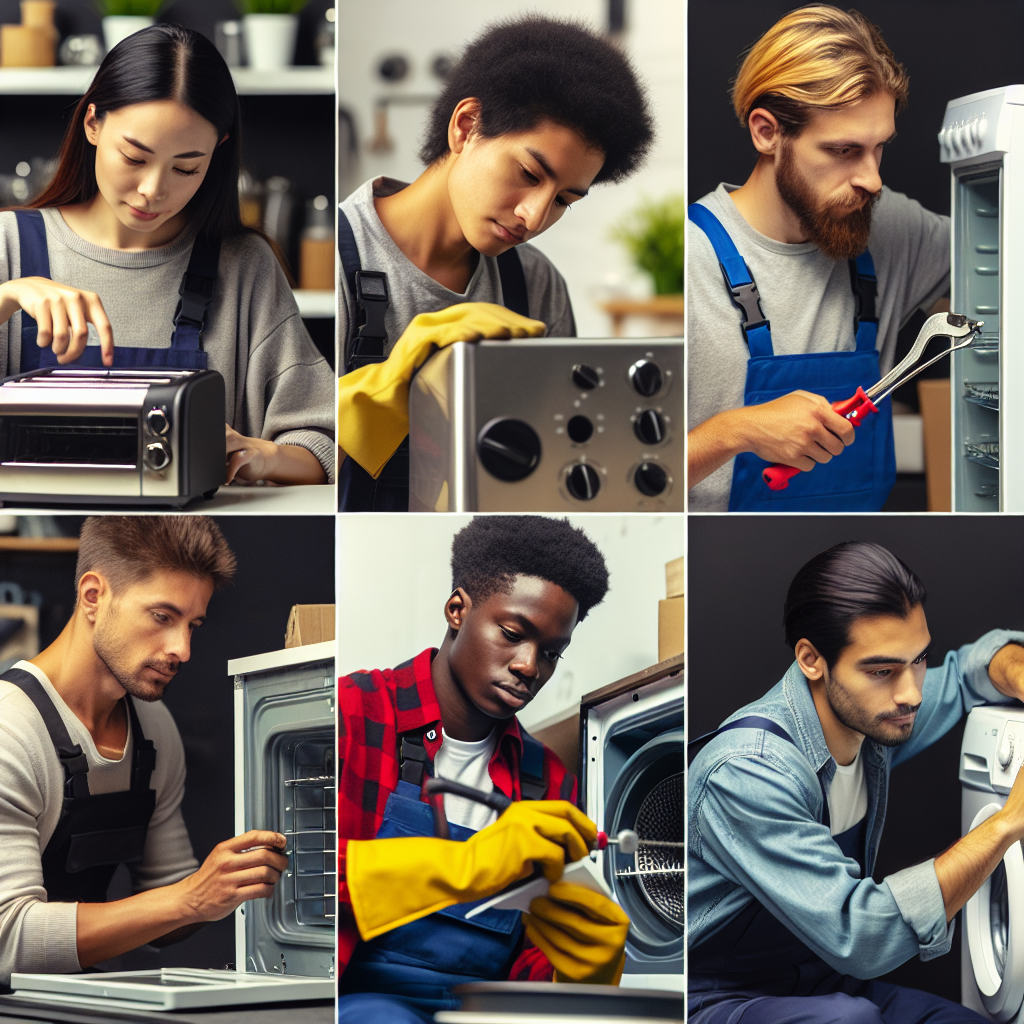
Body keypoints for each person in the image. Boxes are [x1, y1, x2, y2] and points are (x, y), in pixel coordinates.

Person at [687, 541, 1024, 1023]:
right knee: (849, 1020)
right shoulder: (746, 771)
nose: (911, 693)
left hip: (821, 979)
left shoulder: (878, 719)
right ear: (811, 659)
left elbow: (974, 671)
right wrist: (1008, 823)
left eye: (918, 660)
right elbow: (863, 934)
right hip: (715, 998)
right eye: (882, 670)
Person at [336, 14, 655, 510]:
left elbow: (558, 470)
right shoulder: (338, 262)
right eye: (528, 172)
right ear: (467, 127)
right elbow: (287, 467)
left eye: (564, 200)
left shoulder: (536, 284)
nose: (534, 215)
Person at [0, 25, 334, 486]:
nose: (153, 190)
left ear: (216, 155)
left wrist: (262, 455)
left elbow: (327, 446)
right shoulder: (9, 244)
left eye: (186, 167)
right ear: (92, 123)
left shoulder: (241, 265)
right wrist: (8, 297)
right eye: (135, 158)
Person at [336, 516, 631, 1023]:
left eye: (551, 653)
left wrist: (582, 972)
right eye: (514, 634)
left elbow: (530, 963)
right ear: (457, 609)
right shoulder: (353, 714)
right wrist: (461, 867)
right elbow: (299, 884)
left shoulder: (551, 783)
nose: (528, 666)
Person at [0, 516, 289, 988]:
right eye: (162, 617)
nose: (183, 649)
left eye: (193, 624)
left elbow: (165, 897)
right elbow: (6, 940)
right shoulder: (10, 731)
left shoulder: (152, 728)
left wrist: (232, 883)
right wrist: (190, 898)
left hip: (67, 995)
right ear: (94, 596)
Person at [687, 6, 949, 512]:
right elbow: (621, 484)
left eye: (879, 149)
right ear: (767, 132)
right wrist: (733, 431)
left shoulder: (892, 226)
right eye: (844, 150)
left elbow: (997, 252)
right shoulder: (690, 261)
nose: (871, 179)